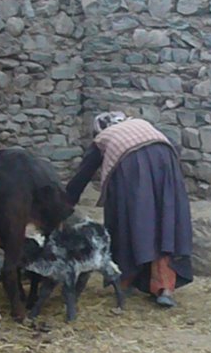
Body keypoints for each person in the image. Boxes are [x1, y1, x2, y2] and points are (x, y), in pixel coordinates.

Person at [66, 111, 193, 307]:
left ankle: (125, 280)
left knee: (126, 221)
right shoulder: (142, 123)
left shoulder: (103, 138)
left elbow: (83, 174)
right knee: (164, 222)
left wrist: (66, 203)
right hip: (166, 160)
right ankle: (164, 288)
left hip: (130, 165)